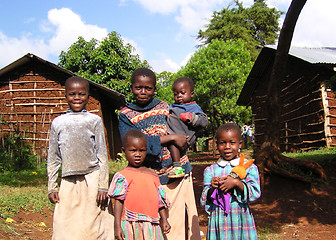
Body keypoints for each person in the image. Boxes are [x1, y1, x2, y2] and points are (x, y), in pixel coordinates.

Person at [118, 68, 201, 239]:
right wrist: (169, 138)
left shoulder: (164, 107)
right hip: (149, 178)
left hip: (177, 171)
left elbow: (183, 129)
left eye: (148, 88)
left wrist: (185, 139)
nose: (143, 92)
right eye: (138, 87)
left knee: (178, 224)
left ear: (154, 89)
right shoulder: (125, 115)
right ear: (131, 87)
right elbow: (132, 144)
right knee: (156, 227)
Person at [47, 76, 113, 240]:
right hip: (68, 181)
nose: (77, 98)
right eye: (72, 94)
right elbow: (54, 157)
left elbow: (102, 155)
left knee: (92, 222)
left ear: (88, 96)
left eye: (82, 94)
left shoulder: (94, 121)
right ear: (65, 95)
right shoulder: (58, 123)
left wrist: (103, 186)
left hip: (92, 178)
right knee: (64, 222)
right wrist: (52, 187)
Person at [200, 122, 261, 240]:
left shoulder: (249, 167)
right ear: (217, 145)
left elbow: (255, 193)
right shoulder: (211, 170)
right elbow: (204, 199)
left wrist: (236, 183)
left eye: (232, 142)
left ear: (240, 144)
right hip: (219, 220)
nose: (227, 146)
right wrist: (213, 188)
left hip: (241, 219)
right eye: (223, 143)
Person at [108, 129, 171, 240]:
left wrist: (164, 219)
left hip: (152, 225)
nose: (138, 154)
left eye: (141, 150)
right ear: (123, 151)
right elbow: (118, 201)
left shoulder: (153, 175)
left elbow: (160, 201)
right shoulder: (122, 176)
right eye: (133, 150)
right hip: (131, 224)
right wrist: (117, 226)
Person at [167, 77, 208, 178]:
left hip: (184, 137)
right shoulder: (172, 106)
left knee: (173, 145)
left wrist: (192, 118)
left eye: (182, 93)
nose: (179, 96)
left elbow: (204, 121)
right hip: (172, 134)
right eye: (176, 94)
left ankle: (177, 167)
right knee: (170, 143)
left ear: (192, 94)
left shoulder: (193, 107)